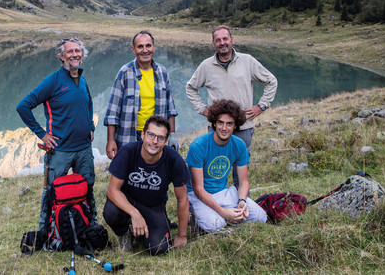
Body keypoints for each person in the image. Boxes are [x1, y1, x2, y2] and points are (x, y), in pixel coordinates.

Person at [16, 38, 95, 231]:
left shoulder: (82, 79)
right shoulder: (53, 81)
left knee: (87, 188)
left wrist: (91, 126)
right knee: (52, 191)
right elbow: (23, 107)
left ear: (82, 54)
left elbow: (88, 102)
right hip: (60, 151)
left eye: (78, 51)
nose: (75, 54)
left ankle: (89, 226)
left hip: (84, 148)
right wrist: (42, 134)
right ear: (61, 56)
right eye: (70, 52)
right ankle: (46, 230)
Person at [186, 25, 277, 187]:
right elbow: (190, 87)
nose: (222, 43)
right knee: (211, 171)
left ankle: (240, 206)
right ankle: (208, 207)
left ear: (232, 40)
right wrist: (203, 109)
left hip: (244, 127)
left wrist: (261, 106)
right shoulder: (206, 66)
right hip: (216, 129)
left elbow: (271, 81)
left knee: (240, 172)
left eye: (225, 39)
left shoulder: (247, 61)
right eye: (218, 40)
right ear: (213, 43)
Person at [103, 115, 189, 255]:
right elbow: (112, 191)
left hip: (154, 206)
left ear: (166, 141)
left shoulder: (173, 159)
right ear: (142, 135)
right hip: (127, 202)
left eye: (160, 138)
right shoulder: (127, 152)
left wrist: (182, 235)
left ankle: (145, 230)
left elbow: (182, 199)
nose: (154, 141)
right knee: (111, 211)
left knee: (159, 248)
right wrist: (134, 213)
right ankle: (125, 233)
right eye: (151, 135)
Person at [186, 99, 267, 233]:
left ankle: (224, 218)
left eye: (229, 124)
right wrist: (223, 212)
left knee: (260, 217)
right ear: (214, 123)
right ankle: (199, 219)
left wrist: (242, 201)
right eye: (220, 123)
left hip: (223, 192)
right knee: (217, 224)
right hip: (198, 195)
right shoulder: (199, 145)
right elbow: (198, 189)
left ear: (235, 126)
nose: (224, 128)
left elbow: (243, 181)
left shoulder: (239, 145)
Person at [104, 31, 179, 159]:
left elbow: (170, 109)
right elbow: (112, 112)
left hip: (155, 137)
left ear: (153, 47)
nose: (145, 50)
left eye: (148, 46)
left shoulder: (162, 72)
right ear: (134, 50)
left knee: (153, 172)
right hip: (129, 136)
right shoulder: (124, 73)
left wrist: (172, 135)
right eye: (140, 47)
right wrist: (111, 140)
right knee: (127, 173)